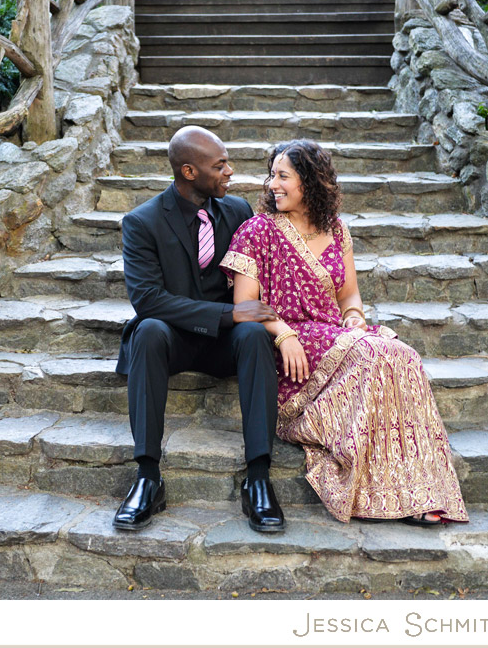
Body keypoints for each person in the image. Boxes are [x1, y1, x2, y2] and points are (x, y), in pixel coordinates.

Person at [221, 139, 468, 525]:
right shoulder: (257, 231)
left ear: (311, 182)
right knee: (378, 355)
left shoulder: (336, 230)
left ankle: (416, 490)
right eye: (272, 175)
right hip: (292, 348)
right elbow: (244, 305)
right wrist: (283, 333)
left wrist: (353, 316)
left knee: (404, 357)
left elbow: (349, 295)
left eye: (283, 176)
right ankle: (388, 494)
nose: (273, 184)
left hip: (336, 337)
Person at [113, 125, 286, 533]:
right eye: (220, 165)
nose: (230, 171)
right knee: (148, 329)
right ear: (189, 171)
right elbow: (148, 299)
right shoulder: (142, 222)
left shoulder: (239, 211)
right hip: (173, 339)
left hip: (228, 344)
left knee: (255, 332)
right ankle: (147, 477)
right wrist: (228, 314)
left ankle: (258, 478)